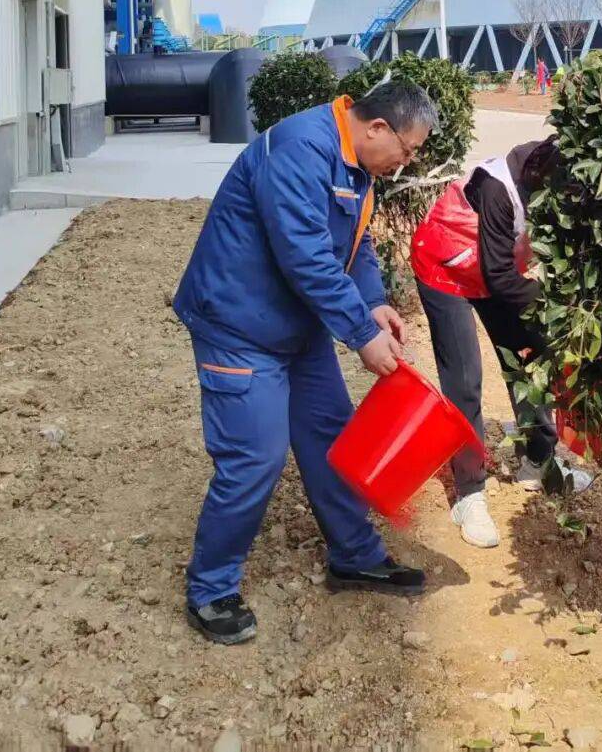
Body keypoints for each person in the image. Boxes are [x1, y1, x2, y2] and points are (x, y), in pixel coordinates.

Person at [172, 81, 439, 644]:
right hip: (239, 326)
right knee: (255, 458)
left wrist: (372, 301)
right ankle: (211, 589)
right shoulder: (299, 149)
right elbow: (307, 256)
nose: (408, 162)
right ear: (378, 128)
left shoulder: (356, 162)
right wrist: (362, 334)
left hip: (296, 325)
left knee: (331, 441)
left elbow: (355, 242)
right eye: (408, 149)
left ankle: (355, 556)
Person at [411, 138, 592, 550]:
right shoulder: (497, 189)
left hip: (490, 269)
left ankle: (538, 462)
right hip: (446, 267)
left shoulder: (558, 182)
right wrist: (556, 307)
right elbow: (500, 278)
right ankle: (469, 492)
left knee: (528, 356)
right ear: (538, 175)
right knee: (465, 378)